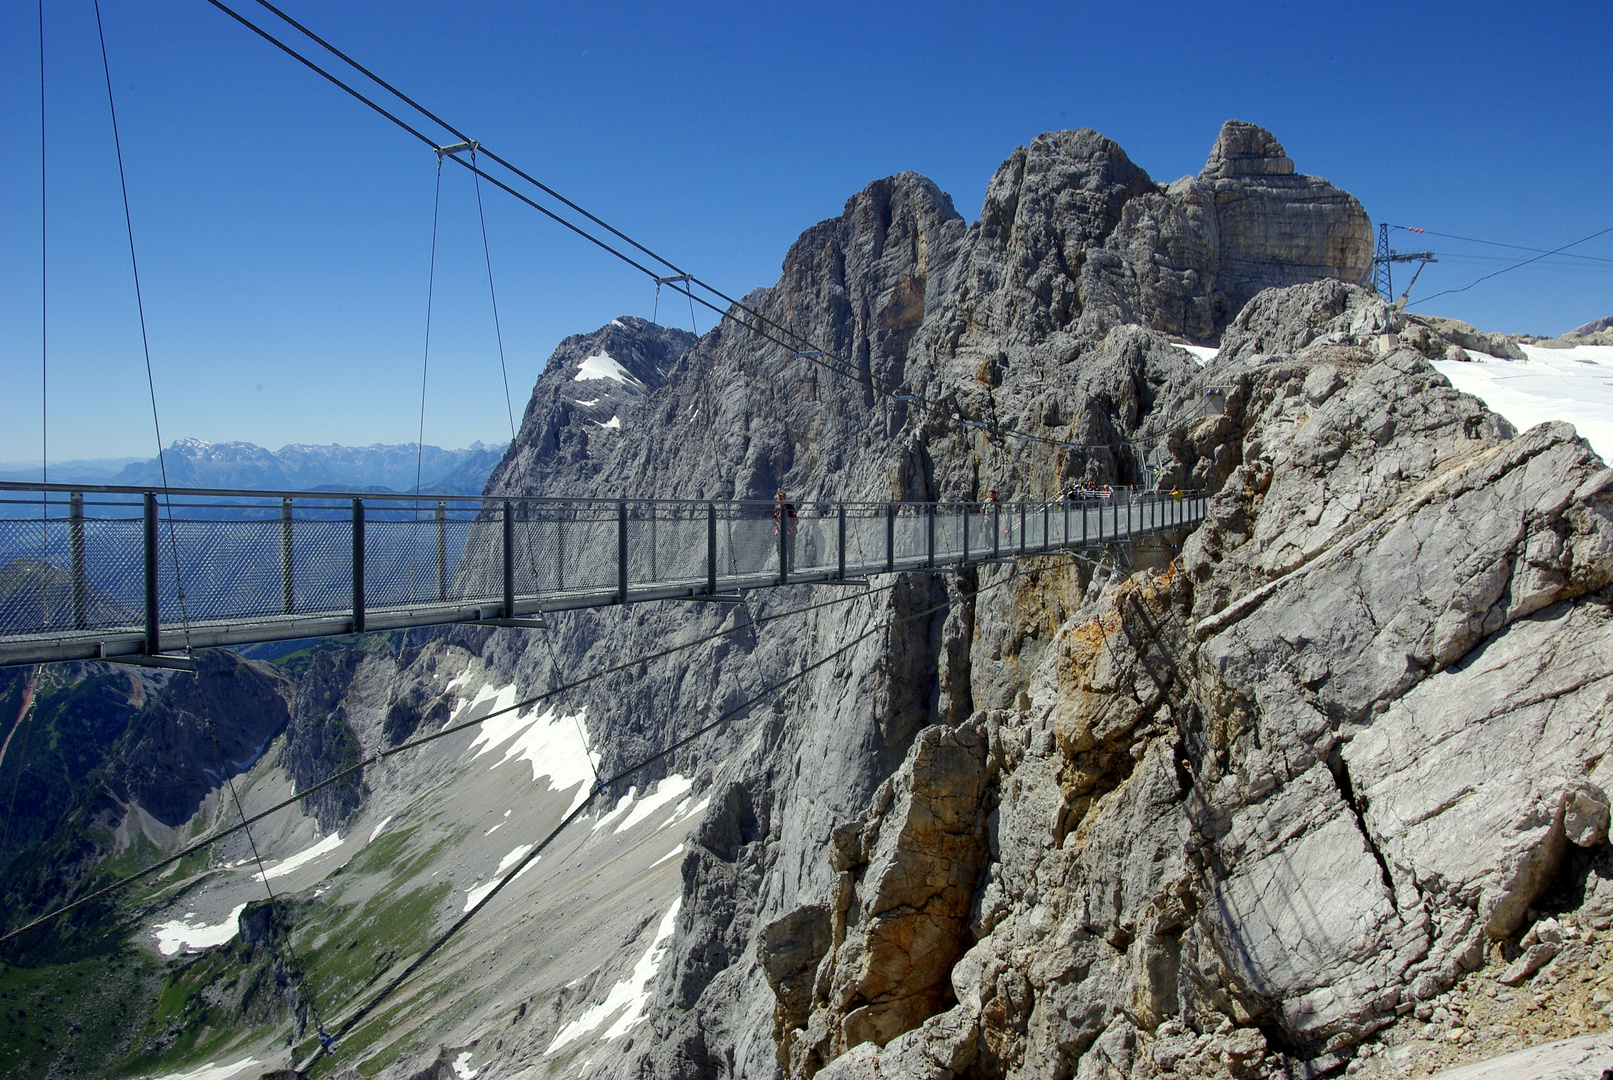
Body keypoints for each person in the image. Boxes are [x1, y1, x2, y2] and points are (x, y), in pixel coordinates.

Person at [774, 488, 798, 572]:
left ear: (785, 499)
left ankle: (790, 567)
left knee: (790, 549)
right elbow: (775, 519)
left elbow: (795, 520)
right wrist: (777, 525)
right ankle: (782, 567)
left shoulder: (789, 507)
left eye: (781, 499)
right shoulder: (777, 508)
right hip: (779, 532)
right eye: (778, 499)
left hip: (789, 532)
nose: (780, 500)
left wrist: (787, 526)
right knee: (779, 549)